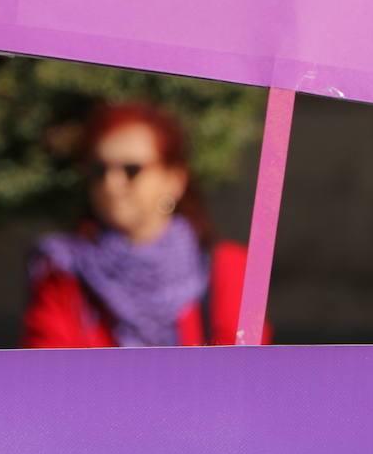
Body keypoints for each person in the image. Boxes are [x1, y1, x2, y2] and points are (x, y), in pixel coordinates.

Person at [21, 102, 269, 347]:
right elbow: (48, 372)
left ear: (174, 179)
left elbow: (242, 376)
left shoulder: (228, 269)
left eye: (131, 170)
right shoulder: (63, 271)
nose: (112, 184)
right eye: (99, 170)